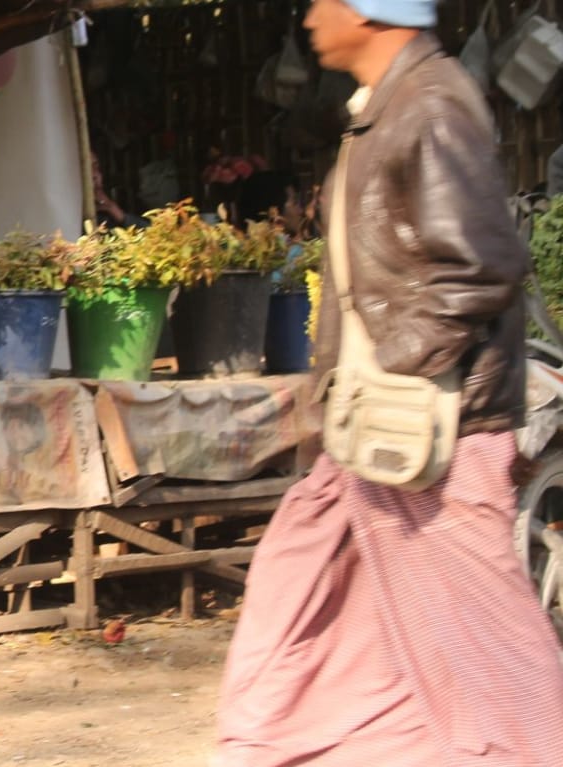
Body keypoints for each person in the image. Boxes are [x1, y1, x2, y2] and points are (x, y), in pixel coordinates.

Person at [215, 1, 563, 765]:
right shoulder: (387, 107)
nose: (308, 17)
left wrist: (390, 369)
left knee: (486, 641)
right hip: (381, 426)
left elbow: (482, 266)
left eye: (324, 2)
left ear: (373, 13)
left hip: (436, 428)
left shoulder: (431, 106)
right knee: (313, 585)